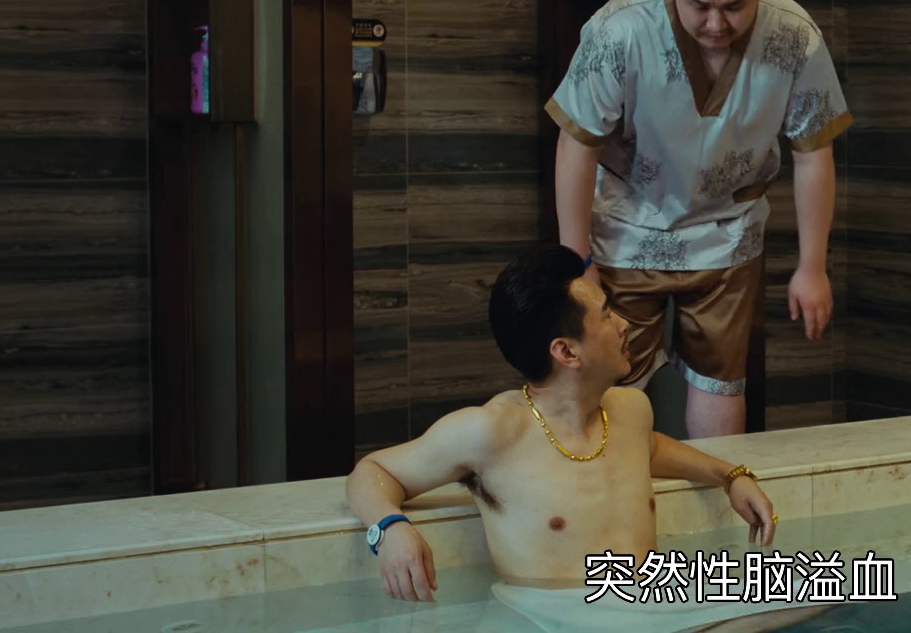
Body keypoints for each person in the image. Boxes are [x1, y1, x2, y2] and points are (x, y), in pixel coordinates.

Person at [345, 245, 828, 631]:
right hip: (556, 613)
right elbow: (372, 471)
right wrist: (388, 528)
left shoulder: (629, 409)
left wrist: (731, 476)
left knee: (831, 592)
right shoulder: (492, 431)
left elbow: (652, 449)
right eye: (606, 315)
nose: (624, 324)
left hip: (651, 601)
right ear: (567, 352)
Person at [547, 0, 851, 439]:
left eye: (734, 7)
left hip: (728, 230)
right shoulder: (621, 30)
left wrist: (812, 266)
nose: (715, 24)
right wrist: (577, 263)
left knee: (722, 379)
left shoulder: (793, 35)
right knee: (611, 383)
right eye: (699, 5)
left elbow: (812, 152)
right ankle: (617, 492)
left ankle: (721, 489)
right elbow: (576, 143)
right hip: (627, 225)